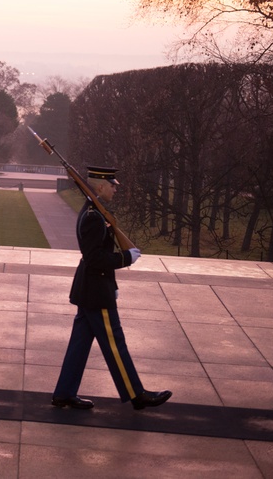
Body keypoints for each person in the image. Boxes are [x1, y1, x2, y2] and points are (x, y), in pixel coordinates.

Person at [51, 165, 172, 411]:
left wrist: (113, 282)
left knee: (79, 344)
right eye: (112, 186)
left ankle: (64, 393)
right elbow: (95, 257)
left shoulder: (95, 213)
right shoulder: (93, 217)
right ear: (100, 187)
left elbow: (96, 256)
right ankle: (137, 395)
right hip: (96, 292)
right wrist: (126, 259)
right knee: (116, 344)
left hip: (93, 287)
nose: (115, 190)